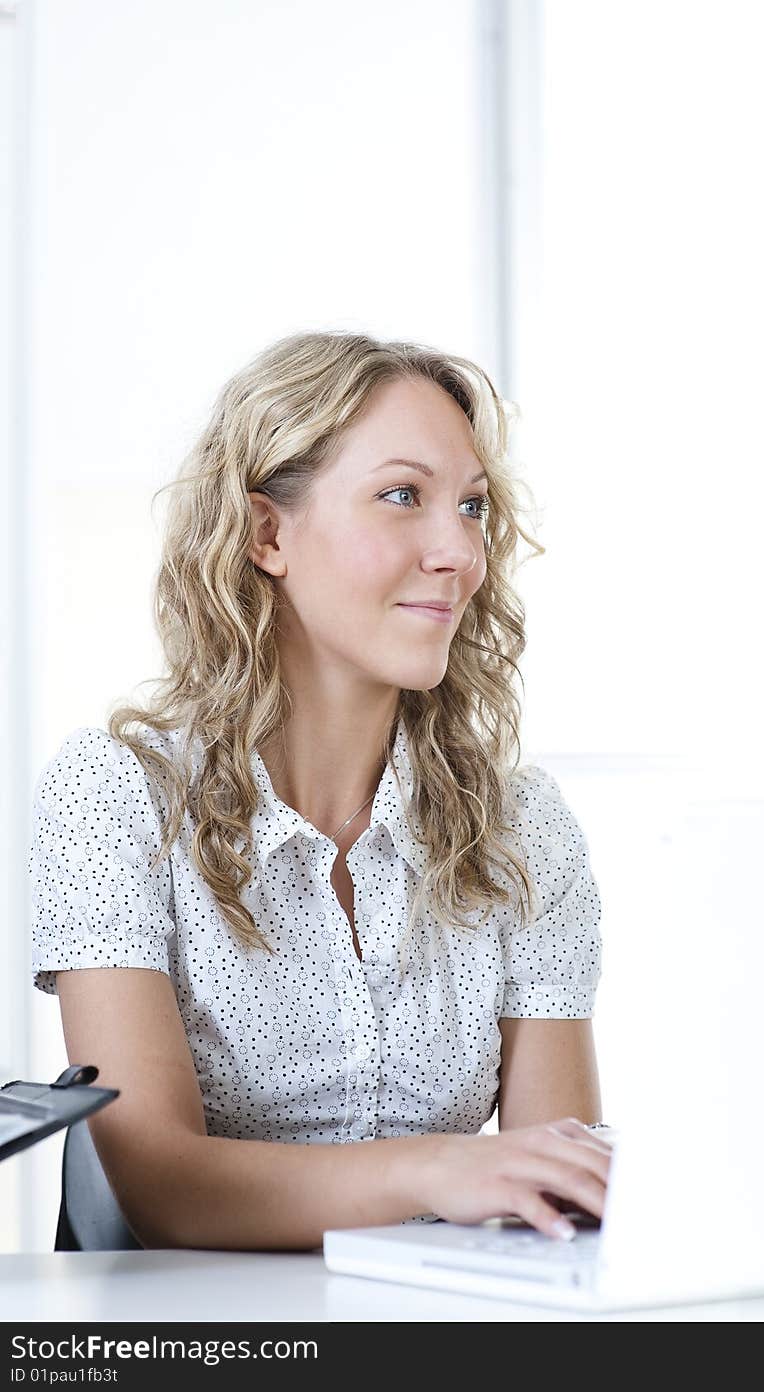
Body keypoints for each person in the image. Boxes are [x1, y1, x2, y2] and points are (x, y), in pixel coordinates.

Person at [28, 330, 611, 1251]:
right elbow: (162, 1185)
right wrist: (435, 1168)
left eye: (471, 507)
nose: (458, 551)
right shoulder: (117, 795)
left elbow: (559, 1197)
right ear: (268, 534)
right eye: (401, 497)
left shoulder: (523, 826)